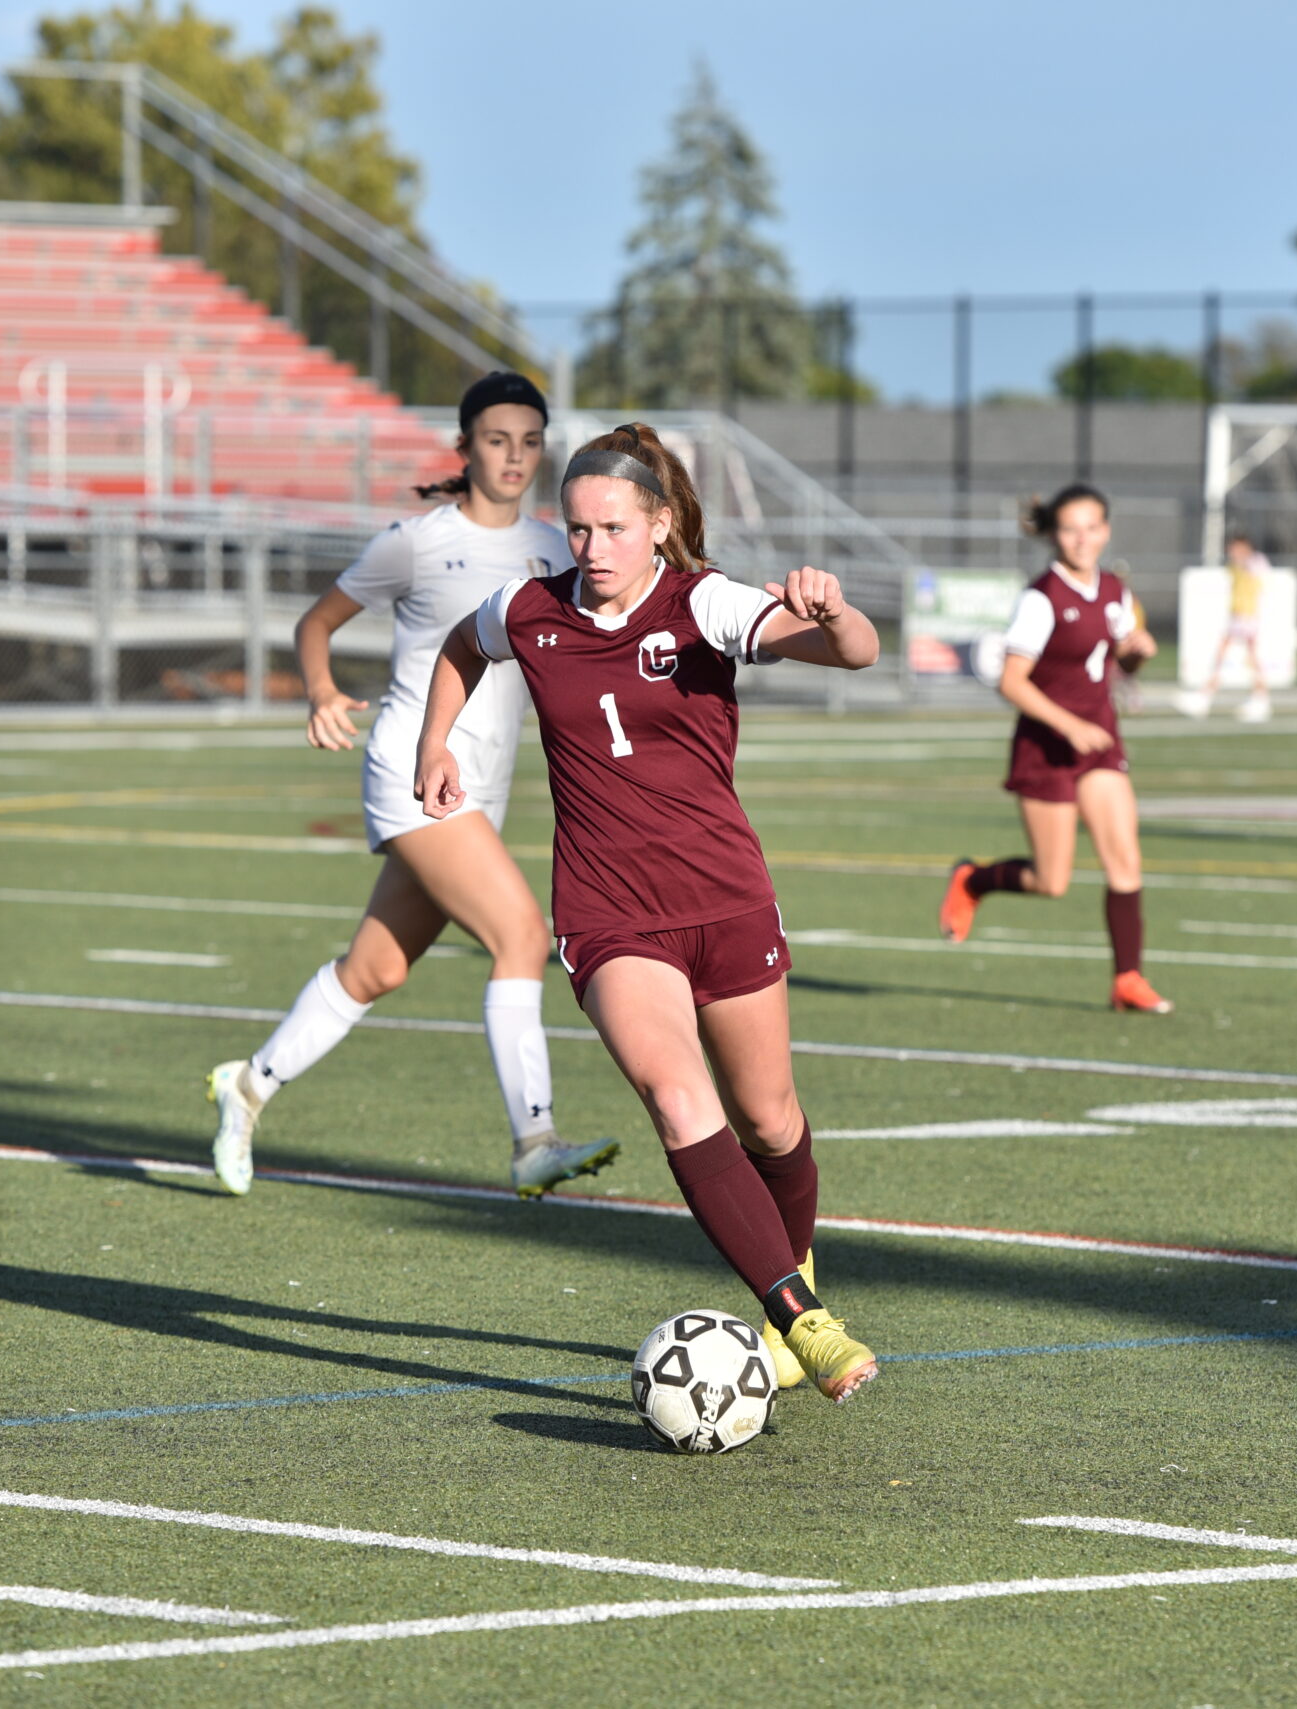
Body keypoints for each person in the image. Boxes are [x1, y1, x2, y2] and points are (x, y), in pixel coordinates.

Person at [414, 424, 884, 1403]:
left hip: (722, 895)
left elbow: (854, 652)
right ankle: (804, 1317)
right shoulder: (532, 611)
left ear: (659, 526)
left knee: (769, 1118)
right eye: (576, 527)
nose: (589, 549)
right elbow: (459, 645)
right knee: (677, 1099)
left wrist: (832, 612)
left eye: (612, 528)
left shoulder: (701, 600)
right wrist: (435, 741)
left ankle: (790, 1278)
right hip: (606, 909)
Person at [206, 373, 617, 1199]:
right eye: (497, 440)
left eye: (530, 442)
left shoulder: (554, 545)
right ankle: (534, 1136)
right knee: (519, 935)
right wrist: (321, 692)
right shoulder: (415, 541)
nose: (515, 456)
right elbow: (315, 623)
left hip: (483, 785)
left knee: (376, 969)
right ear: (464, 448)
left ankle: (247, 1084)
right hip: (410, 769)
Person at [937, 482, 1172, 1015]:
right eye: (1070, 528)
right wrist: (1069, 726)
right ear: (1054, 534)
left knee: (1126, 863)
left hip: (1099, 742)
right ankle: (973, 879)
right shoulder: (1041, 598)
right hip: (1047, 744)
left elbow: (1119, 662)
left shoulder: (1116, 590)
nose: (1082, 539)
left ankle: (1128, 979)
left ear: (1106, 531)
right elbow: (1011, 681)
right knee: (1052, 880)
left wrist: (1137, 652)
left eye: (1092, 528)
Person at [1182, 532, 1272, 723]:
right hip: (1237, 615)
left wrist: (1244, 562)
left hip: (1248, 616)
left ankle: (1258, 698)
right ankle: (1207, 695)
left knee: (1249, 657)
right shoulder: (1234, 566)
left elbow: (1259, 578)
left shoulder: (1255, 561)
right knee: (1227, 655)